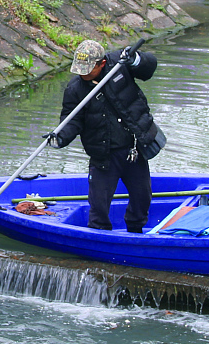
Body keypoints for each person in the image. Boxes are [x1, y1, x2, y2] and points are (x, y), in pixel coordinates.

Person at [46, 39, 166, 233]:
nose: (83, 74)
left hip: (132, 150)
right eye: (80, 69)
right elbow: (71, 120)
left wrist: (136, 60)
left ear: (101, 64)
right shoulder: (75, 89)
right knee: (99, 204)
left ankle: (135, 230)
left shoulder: (120, 64)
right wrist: (59, 137)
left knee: (142, 196)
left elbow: (148, 69)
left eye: (87, 70)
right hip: (102, 155)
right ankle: (99, 233)